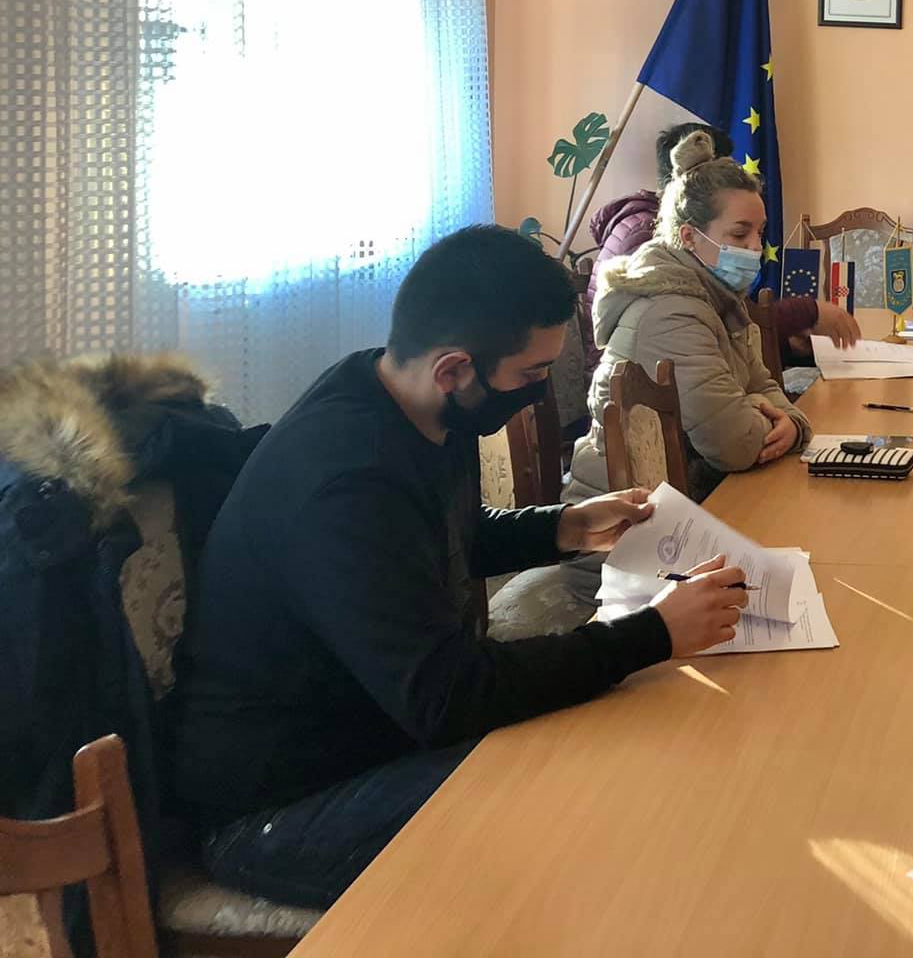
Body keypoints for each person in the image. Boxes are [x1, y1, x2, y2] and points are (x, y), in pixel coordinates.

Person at [173, 225, 750, 909]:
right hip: (287, 803)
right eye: (530, 375)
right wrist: (654, 633)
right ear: (452, 369)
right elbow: (450, 698)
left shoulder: (406, 397)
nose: (541, 391)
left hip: (384, 729)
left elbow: (436, 538)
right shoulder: (342, 481)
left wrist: (562, 527)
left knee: (615, 743)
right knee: (588, 812)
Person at [567, 131, 812, 507]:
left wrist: (792, 425)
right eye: (740, 233)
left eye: (759, 233)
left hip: (684, 501)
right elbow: (736, 444)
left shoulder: (718, 297)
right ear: (689, 237)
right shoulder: (669, 311)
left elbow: (761, 382)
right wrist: (766, 413)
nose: (755, 247)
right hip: (626, 522)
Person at [583, 122, 856, 368]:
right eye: (739, 234)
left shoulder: (689, 249)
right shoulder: (646, 238)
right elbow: (688, 344)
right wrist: (806, 312)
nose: (756, 247)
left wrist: (786, 345)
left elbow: (721, 335)